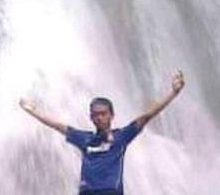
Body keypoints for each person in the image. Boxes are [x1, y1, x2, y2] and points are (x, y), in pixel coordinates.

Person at [19, 70, 186, 194]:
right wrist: (32, 111)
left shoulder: (121, 137)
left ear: (111, 115)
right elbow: (56, 125)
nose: (99, 117)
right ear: (91, 117)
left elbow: (147, 116)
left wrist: (173, 92)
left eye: (103, 114)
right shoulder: (84, 139)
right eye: (95, 114)